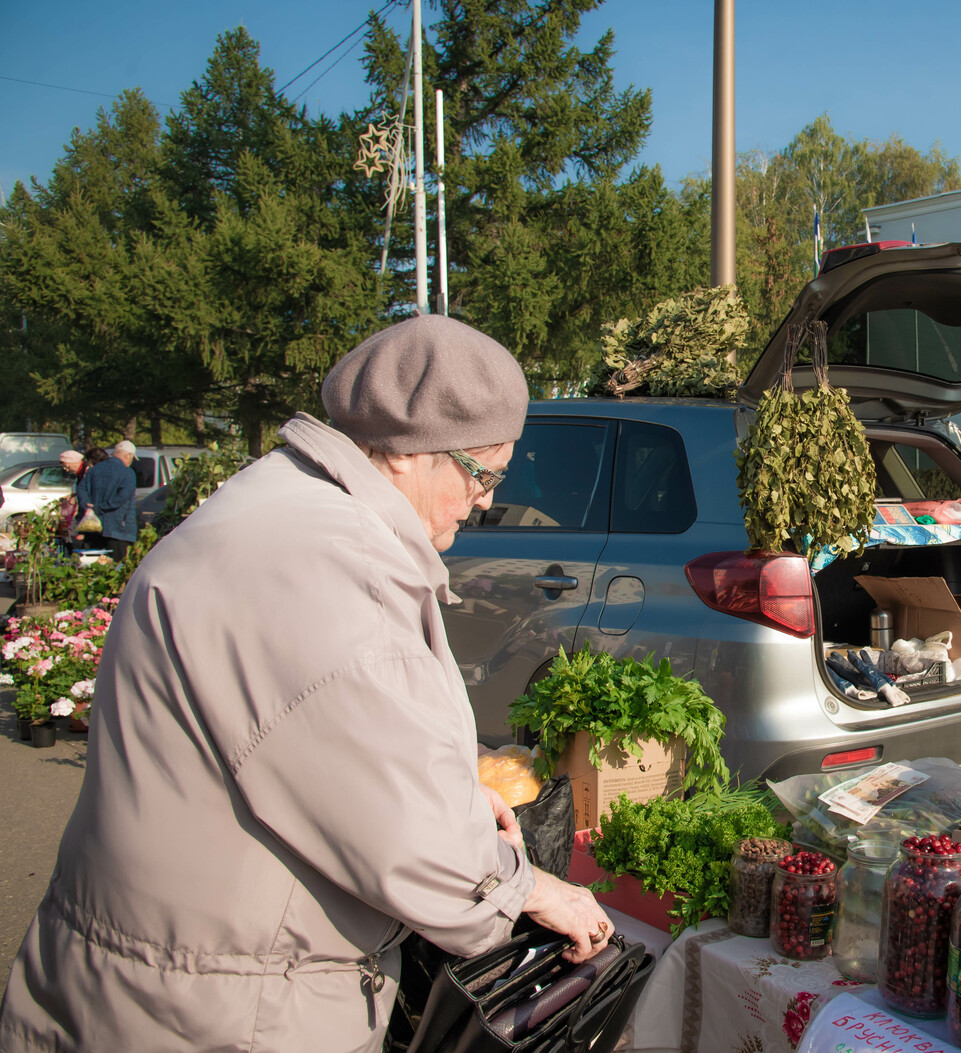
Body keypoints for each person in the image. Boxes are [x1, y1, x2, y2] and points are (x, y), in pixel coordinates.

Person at [0, 316, 611, 1053]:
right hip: (216, 1011)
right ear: (406, 451)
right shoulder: (327, 567)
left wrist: (449, 783)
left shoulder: (284, 505)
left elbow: (323, 753)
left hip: (160, 979)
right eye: (483, 473)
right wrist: (529, 889)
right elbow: (406, 834)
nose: (485, 499)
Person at [79, 441, 137, 560]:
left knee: (93, 563)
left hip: (93, 527)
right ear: (128, 456)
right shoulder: (128, 473)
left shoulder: (94, 469)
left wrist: (87, 505)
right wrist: (101, 507)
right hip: (119, 529)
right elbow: (122, 497)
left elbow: (81, 488)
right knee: (118, 565)